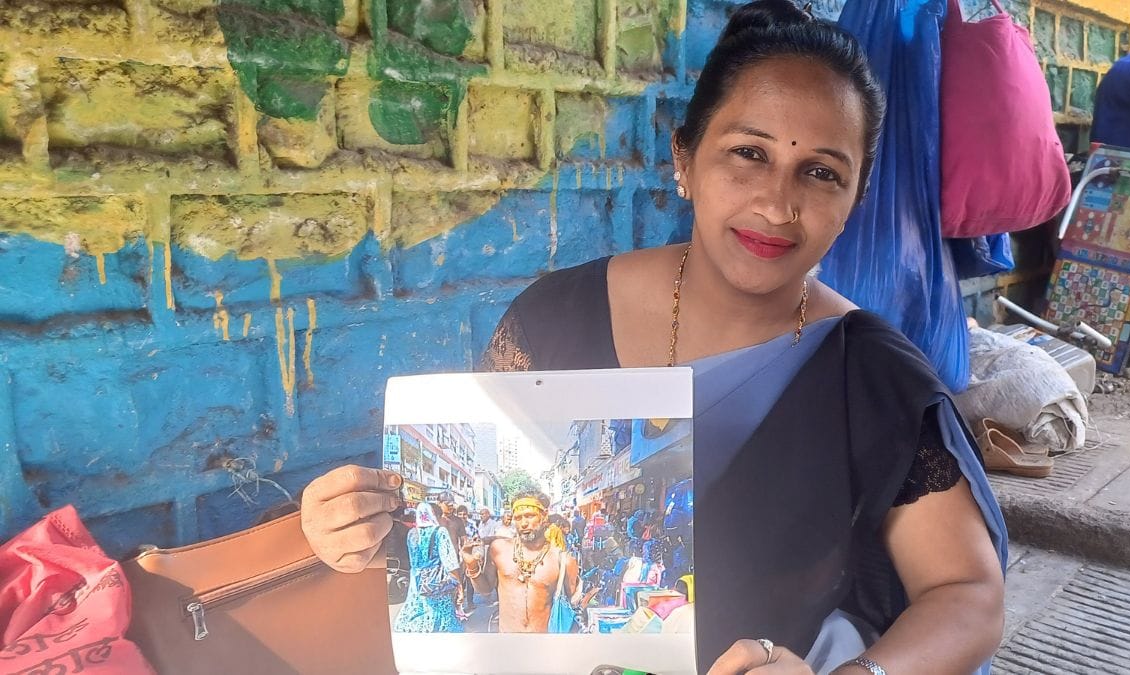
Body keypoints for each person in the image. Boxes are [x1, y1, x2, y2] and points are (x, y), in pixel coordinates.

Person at [300, 2, 1005, 673]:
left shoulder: (872, 377)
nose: (778, 203)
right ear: (684, 160)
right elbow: (453, 503)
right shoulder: (554, 320)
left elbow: (968, 595)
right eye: (748, 154)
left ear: (855, 198)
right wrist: (355, 527)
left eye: (821, 172)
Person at [458, 490, 582, 633]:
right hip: (507, 644)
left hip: (544, 646)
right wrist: (472, 566)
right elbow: (485, 590)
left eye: (530, 516)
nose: (523, 523)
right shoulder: (499, 550)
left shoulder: (563, 561)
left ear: (544, 516)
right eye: (518, 518)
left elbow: (573, 610)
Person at [391, 503, 464, 633]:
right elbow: (450, 563)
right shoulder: (440, 532)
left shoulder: (412, 533)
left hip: (417, 584)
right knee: (442, 621)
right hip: (437, 584)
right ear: (434, 516)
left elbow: (413, 561)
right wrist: (459, 586)